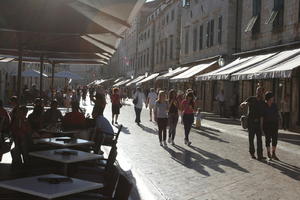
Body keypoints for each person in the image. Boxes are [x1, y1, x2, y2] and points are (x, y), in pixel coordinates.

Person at [240, 86, 266, 160]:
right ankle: (252, 153)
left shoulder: (262, 102)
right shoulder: (251, 98)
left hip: (258, 123)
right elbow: (244, 103)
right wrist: (243, 104)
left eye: (260, 91)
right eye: (257, 90)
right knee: (251, 138)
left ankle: (260, 155)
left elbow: (262, 115)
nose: (258, 92)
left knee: (259, 139)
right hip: (251, 122)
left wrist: (262, 126)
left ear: (262, 93)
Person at [263, 92, 280, 160]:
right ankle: (268, 153)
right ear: (269, 98)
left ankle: (273, 153)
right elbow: (262, 116)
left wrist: (279, 120)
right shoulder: (264, 105)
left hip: (274, 124)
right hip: (266, 124)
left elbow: (278, 113)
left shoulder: (274, 105)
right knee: (268, 139)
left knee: (275, 139)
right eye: (272, 97)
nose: (273, 98)